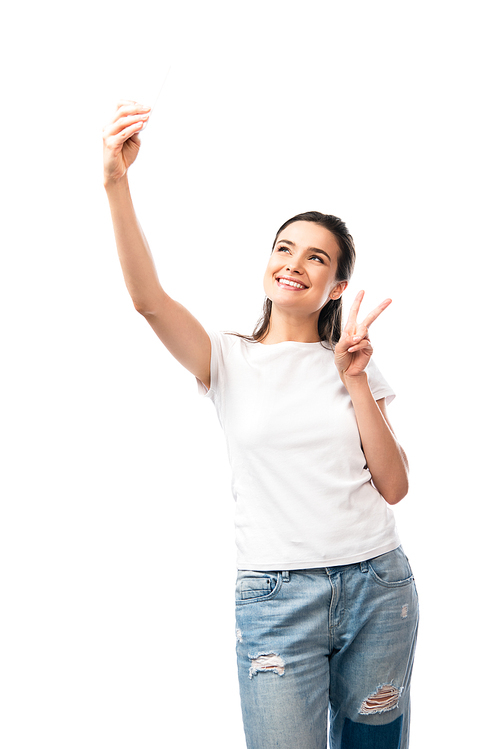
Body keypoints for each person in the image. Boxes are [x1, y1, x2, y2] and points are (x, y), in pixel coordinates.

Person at [103, 100, 419, 749]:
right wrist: (116, 183)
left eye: (315, 257)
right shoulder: (225, 357)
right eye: (284, 248)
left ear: (336, 285)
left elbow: (394, 486)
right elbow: (148, 301)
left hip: (377, 587)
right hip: (276, 598)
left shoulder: (353, 363)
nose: (294, 264)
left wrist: (355, 378)